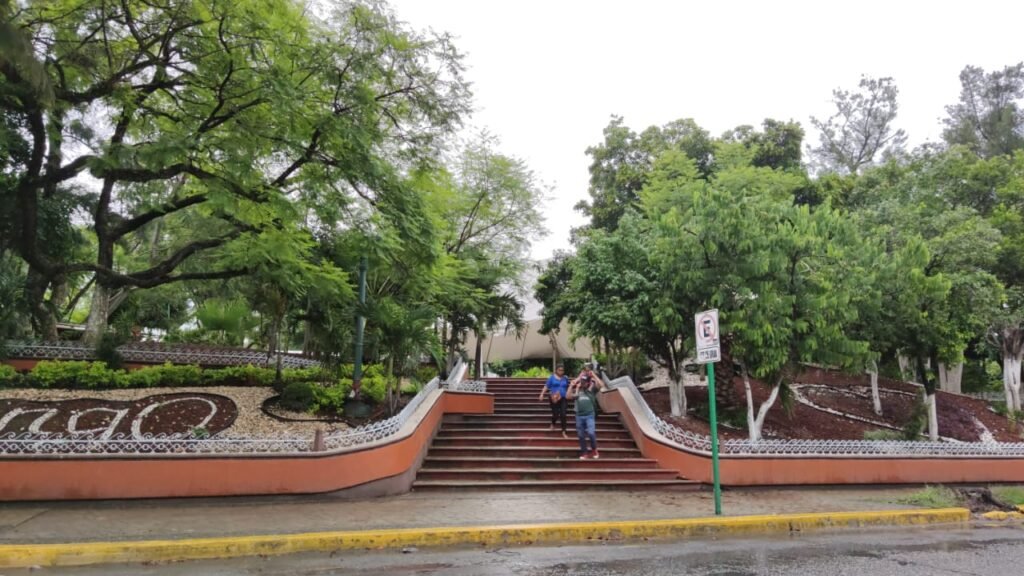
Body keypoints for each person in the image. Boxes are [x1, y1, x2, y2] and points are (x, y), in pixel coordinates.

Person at [568, 364, 603, 459]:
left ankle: (594, 449)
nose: (582, 383)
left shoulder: (591, 389)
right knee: (581, 435)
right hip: (579, 415)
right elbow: (568, 396)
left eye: (584, 382)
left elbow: (601, 385)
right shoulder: (578, 388)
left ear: (587, 383)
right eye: (582, 381)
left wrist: (594, 375)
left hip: (589, 415)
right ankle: (584, 452)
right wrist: (575, 382)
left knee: (591, 433)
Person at [539, 365, 569, 437]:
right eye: (559, 370)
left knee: (563, 414)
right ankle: (553, 423)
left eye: (562, 370)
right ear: (556, 370)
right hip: (554, 398)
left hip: (563, 398)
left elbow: (568, 387)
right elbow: (546, 386)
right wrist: (542, 394)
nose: (561, 372)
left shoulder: (565, 378)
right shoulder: (551, 378)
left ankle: (564, 431)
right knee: (555, 414)